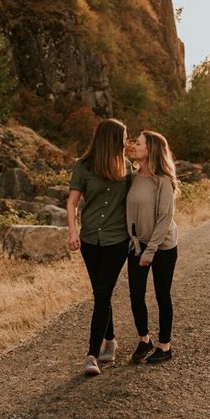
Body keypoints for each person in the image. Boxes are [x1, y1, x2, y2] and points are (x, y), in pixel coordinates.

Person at [66, 118, 132, 376]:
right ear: (112, 139)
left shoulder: (126, 168)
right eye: (124, 136)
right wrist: (72, 232)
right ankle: (111, 340)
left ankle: (92, 355)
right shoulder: (82, 167)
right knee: (100, 293)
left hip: (117, 241)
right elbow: (72, 203)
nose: (126, 142)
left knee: (103, 294)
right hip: (90, 240)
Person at [126, 130, 179, 364]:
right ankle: (144, 340)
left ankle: (164, 347)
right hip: (137, 244)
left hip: (163, 246)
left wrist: (151, 250)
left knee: (161, 295)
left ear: (150, 150)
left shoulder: (163, 181)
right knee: (136, 294)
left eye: (138, 143)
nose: (133, 146)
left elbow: (164, 218)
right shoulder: (132, 176)